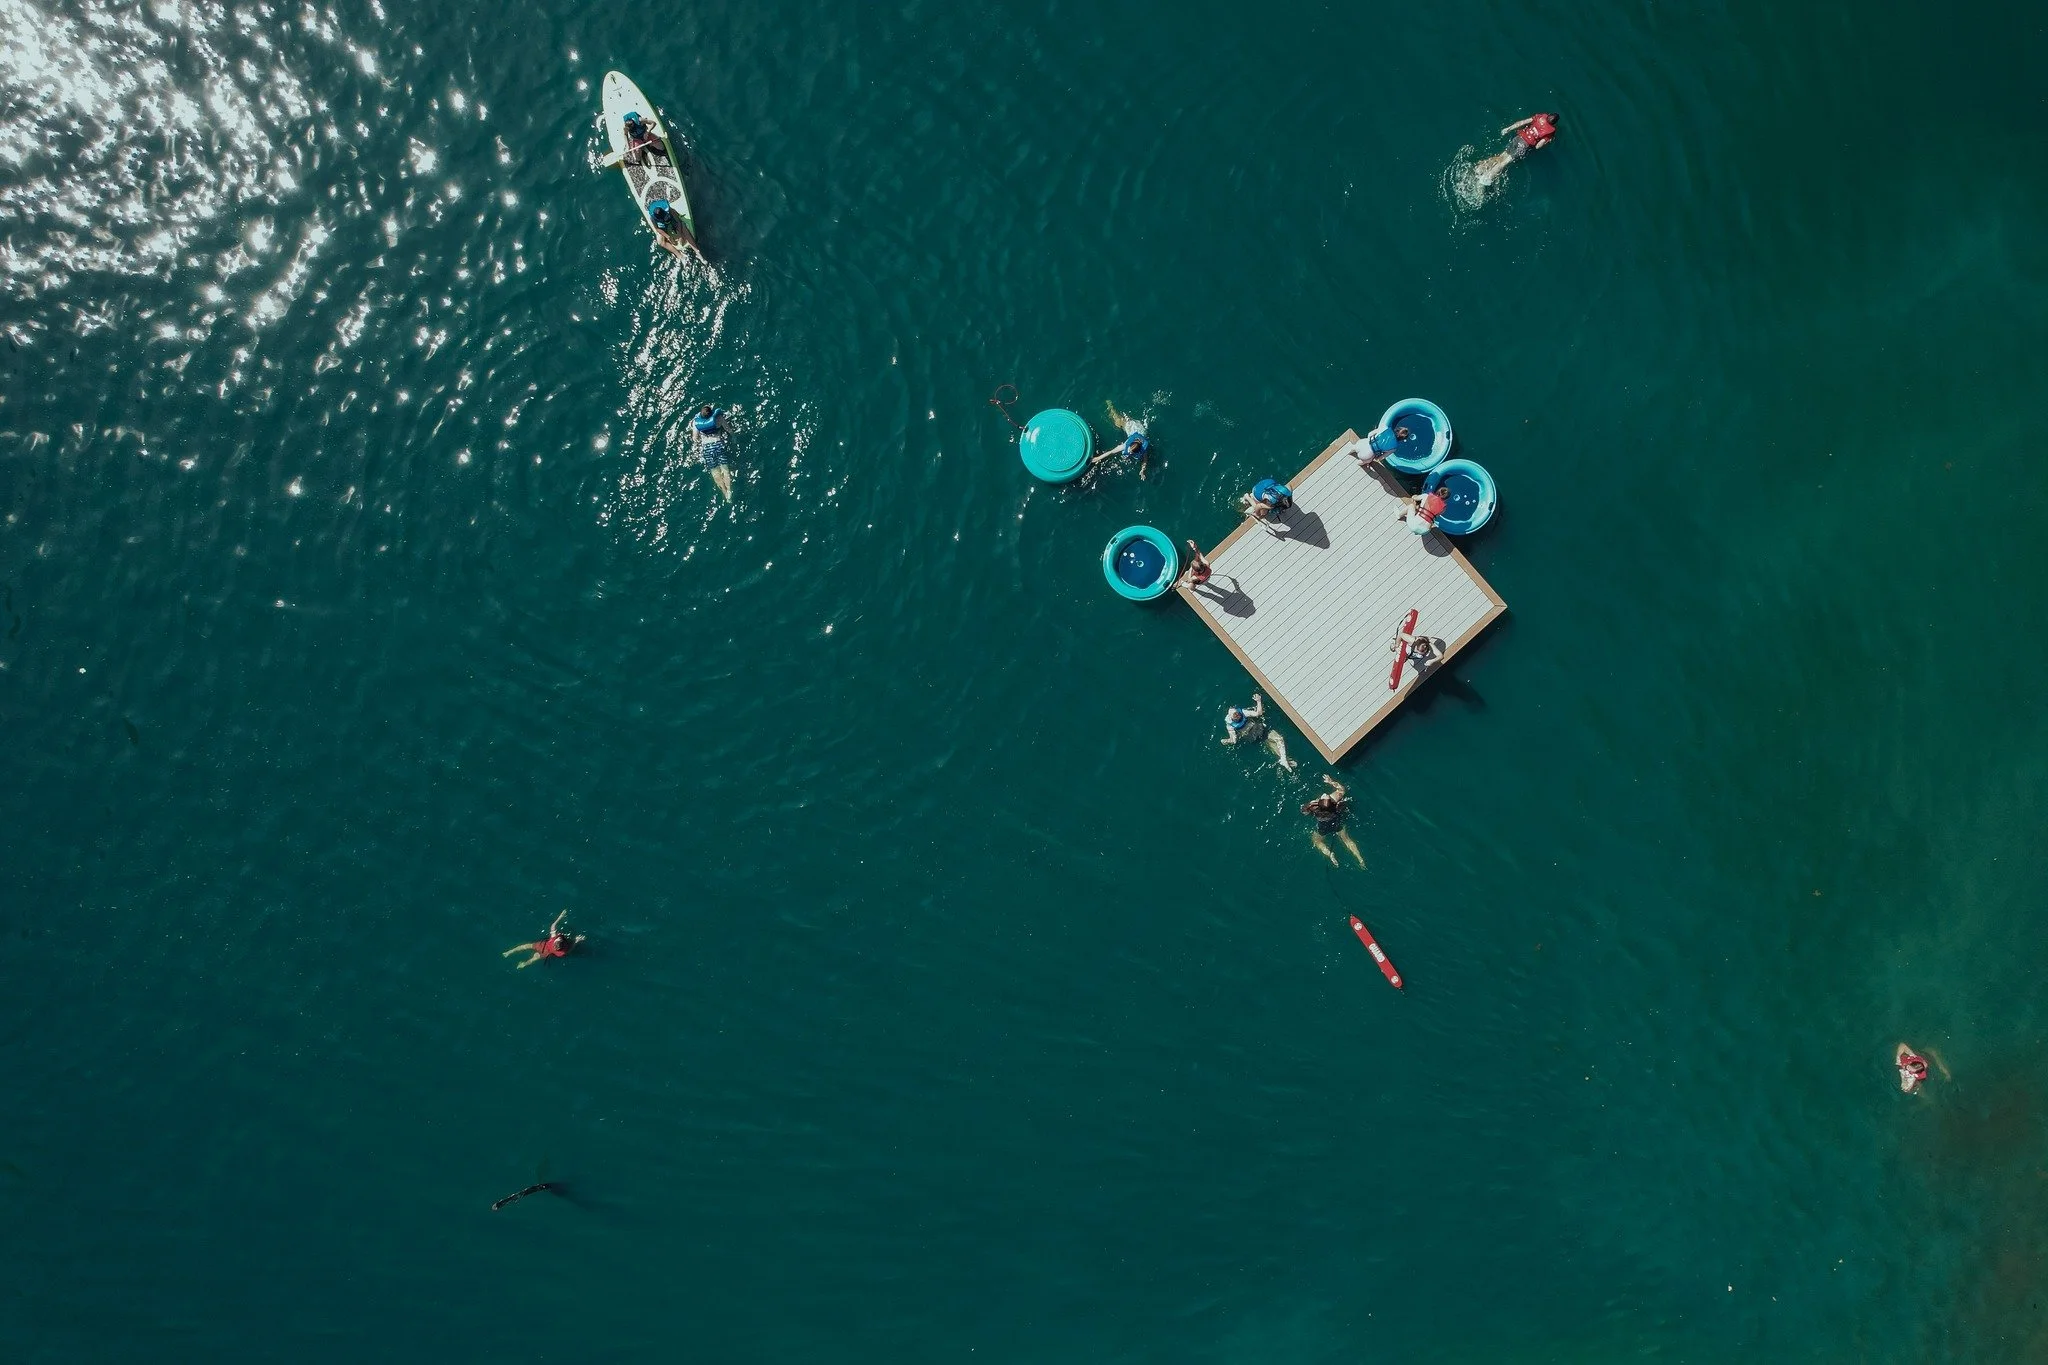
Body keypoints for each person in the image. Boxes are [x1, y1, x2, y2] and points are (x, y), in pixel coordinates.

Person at [1474, 112, 1559, 189]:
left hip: (1518, 138)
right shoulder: (1550, 133)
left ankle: (1480, 169)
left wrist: (1509, 128)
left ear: (1548, 115)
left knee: (1501, 156)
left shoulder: (1539, 117)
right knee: (1504, 163)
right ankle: (1485, 179)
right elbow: (1538, 146)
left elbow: (1522, 122)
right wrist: (1547, 141)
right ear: (1554, 123)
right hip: (1523, 146)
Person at [1221, 692, 1297, 772]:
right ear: (1231, 718)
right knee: (1278, 740)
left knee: (1278, 741)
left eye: (1238, 714)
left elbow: (1258, 713)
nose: (1238, 716)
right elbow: (1234, 740)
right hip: (1256, 735)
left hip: (1258, 732)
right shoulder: (1230, 725)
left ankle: (1285, 761)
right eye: (1236, 716)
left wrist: (1258, 701)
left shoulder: (1242, 713)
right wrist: (1226, 741)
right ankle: (1284, 760)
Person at [1302, 776, 1365, 868]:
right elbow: (1342, 789)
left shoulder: (1314, 806)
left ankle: (1330, 854)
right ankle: (1360, 859)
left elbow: (1304, 811)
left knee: (1316, 841)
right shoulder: (1334, 799)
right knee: (1347, 840)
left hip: (1323, 826)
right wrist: (1331, 781)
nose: (1324, 794)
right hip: (1336, 823)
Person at [1089, 403, 1153, 479]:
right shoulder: (1125, 446)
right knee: (1117, 422)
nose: (1129, 452)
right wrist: (1098, 458)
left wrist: (1142, 470)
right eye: (1130, 450)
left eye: (1131, 452)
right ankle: (1110, 405)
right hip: (1132, 427)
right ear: (1130, 445)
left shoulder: (1143, 450)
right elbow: (1111, 452)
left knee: (1126, 420)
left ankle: (1125, 416)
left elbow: (1145, 460)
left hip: (1138, 428)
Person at [503, 911, 583, 969]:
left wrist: (560, 917)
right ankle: (523, 965)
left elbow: (553, 925)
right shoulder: (561, 952)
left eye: (558, 939)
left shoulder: (552, 939)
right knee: (534, 959)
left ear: (555, 942)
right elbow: (570, 949)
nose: (558, 938)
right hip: (545, 953)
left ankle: (508, 952)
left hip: (541, 945)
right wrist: (576, 941)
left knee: (526, 946)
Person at [691, 404, 735, 500]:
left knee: (715, 472)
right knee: (725, 469)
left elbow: (695, 438)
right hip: (718, 444)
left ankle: (724, 492)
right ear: (711, 413)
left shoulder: (696, 422)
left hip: (707, 448)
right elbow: (728, 429)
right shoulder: (718, 418)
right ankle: (729, 490)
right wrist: (733, 436)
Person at [491, 1182, 557, 1212]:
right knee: (522, 1193)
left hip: (521, 1194)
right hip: (521, 1194)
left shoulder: (510, 1199)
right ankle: (499, 1204)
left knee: (515, 1197)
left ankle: (499, 1204)